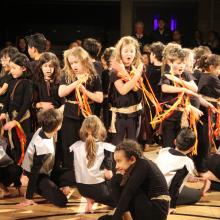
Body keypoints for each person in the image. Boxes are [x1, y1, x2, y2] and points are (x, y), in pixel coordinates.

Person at [98, 139, 170, 220]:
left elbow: (128, 193)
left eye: (119, 161)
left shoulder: (143, 164)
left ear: (132, 159)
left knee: (116, 182)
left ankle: (126, 216)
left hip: (155, 211)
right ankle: (125, 216)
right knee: (103, 219)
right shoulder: (138, 165)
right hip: (146, 206)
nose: (116, 166)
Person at [58, 46, 103, 170]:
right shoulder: (67, 75)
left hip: (87, 116)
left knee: (86, 144)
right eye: (71, 63)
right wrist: (76, 83)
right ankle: (70, 173)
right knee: (69, 145)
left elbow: (99, 98)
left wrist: (86, 91)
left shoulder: (94, 77)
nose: (73, 65)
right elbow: (61, 93)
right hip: (69, 115)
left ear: (84, 61)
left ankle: (86, 171)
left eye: (76, 62)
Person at [19, 109, 73, 207]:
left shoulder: (46, 128)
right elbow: (34, 172)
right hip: (38, 177)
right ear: (57, 127)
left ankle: (54, 185)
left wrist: (65, 183)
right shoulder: (42, 147)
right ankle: (37, 189)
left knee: (77, 174)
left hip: (50, 171)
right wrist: (29, 198)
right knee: (61, 201)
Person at [70, 115, 116, 213]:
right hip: (100, 190)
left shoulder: (75, 146)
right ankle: (99, 198)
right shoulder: (106, 148)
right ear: (100, 129)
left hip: (82, 189)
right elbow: (109, 175)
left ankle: (90, 200)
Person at [155, 128, 206, 214]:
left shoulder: (164, 150)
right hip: (163, 194)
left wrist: (190, 178)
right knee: (196, 195)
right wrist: (171, 206)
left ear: (175, 141)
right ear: (192, 148)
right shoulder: (186, 162)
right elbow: (175, 184)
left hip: (152, 187)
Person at [160, 46, 199, 148]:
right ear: (170, 62)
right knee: (169, 146)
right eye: (178, 63)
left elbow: (194, 88)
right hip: (170, 116)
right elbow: (165, 88)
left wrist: (178, 80)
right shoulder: (167, 74)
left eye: (183, 63)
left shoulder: (185, 74)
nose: (181, 66)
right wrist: (183, 89)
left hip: (184, 116)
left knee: (183, 146)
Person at [108, 36, 143, 145]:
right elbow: (123, 90)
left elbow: (137, 89)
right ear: (120, 52)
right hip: (120, 116)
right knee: (117, 146)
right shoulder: (115, 71)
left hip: (135, 114)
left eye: (132, 51)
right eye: (126, 51)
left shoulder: (137, 69)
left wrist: (136, 75)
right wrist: (136, 77)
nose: (129, 54)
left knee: (133, 146)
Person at [0, 53, 32, 164]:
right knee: (13, 145)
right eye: (11, 68)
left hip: (22, 119)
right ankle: (15, 175)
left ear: (23, 68)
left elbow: (26, 103)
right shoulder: (12, 81)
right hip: (11, 118)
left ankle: (23, 175)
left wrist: (16, 121)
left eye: (14, 68)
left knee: (22, 145)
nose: (11, 71)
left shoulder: (27, 83)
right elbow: (8, 99)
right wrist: (4, 112)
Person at [0, 120, 22, 198]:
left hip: (6, 172)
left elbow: (14, 160)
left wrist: (17, 182)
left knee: (16, 169)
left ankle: (5, 188)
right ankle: (3, 189)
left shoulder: (7, 141)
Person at [101, 47, 115, 130]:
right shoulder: (105, 72)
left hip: (111, 101)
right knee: (108, 123)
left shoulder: (117, 71)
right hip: (108, 101)